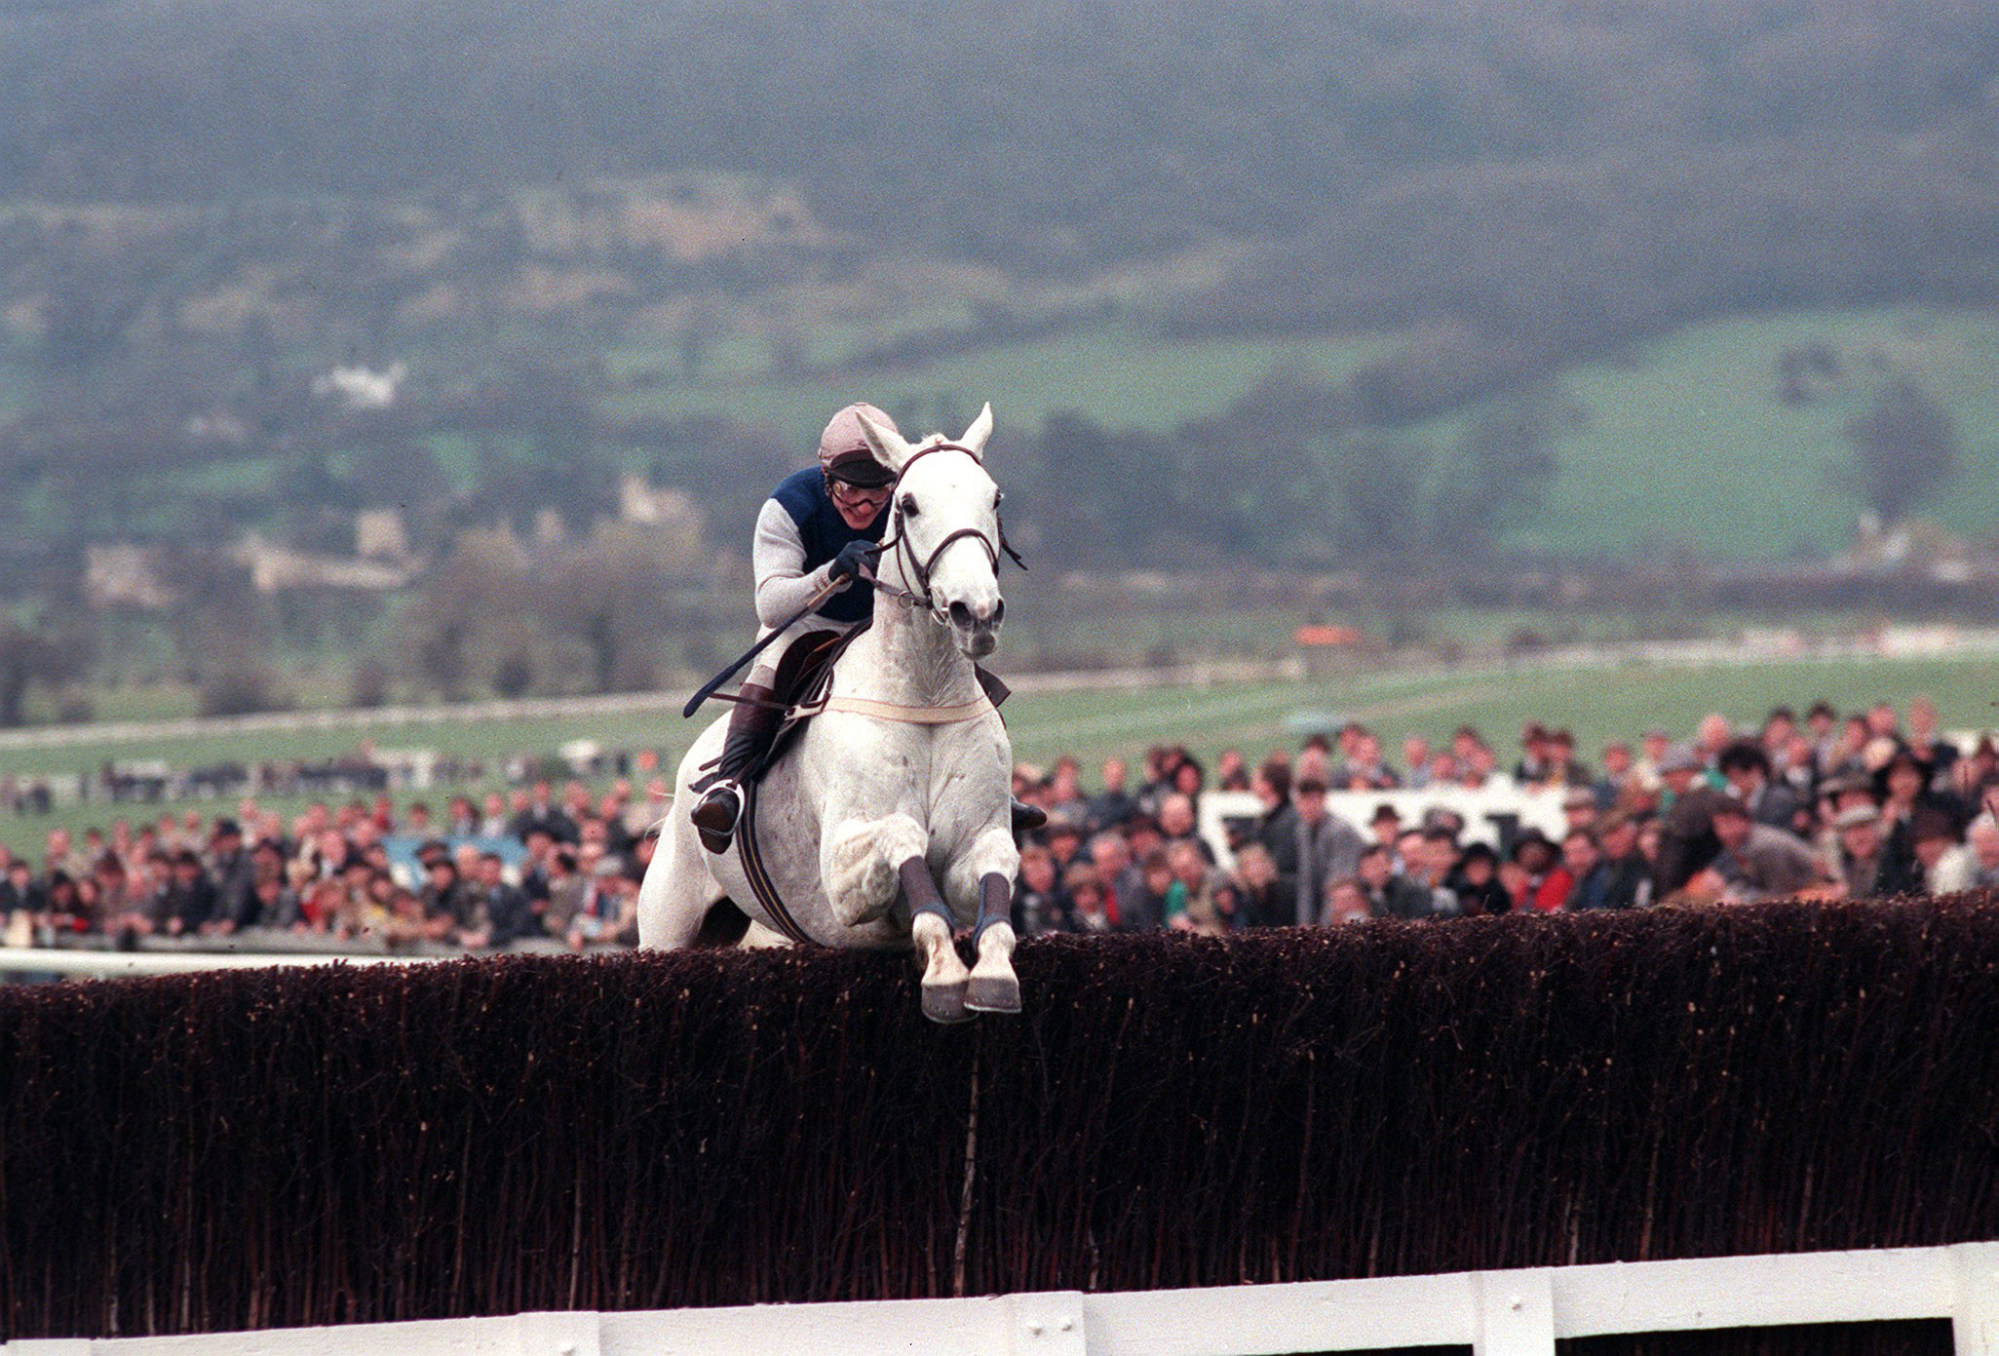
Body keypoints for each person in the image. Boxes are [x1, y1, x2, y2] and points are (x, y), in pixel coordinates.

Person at [689, 401, 1042, 854]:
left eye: (878, 492)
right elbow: (772, 604)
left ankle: (994, 796)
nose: (865, 503)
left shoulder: (911, 498)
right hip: (809, 624)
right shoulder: (788, 505)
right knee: (772, 669)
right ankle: (729, 784)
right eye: (849, 491)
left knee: (963, 675)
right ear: (825, 478)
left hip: (886, 625)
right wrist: (832, 572)